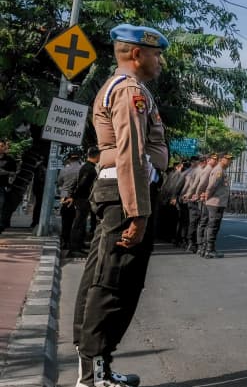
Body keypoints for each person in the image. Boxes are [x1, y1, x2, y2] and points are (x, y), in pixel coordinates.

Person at [73, 23, 169, 387]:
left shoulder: (127, 88)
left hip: (116, 192)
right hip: (123, 193)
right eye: (156, 55)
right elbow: (130, 154)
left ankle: (94, 371)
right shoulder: (130, 91)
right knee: (114, 283)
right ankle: (96, 375)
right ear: (136, 53)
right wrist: (137, 212)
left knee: (102, 279)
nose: (159, 62)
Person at [203, 153, 233, 258]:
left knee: (211, 226)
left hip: (216, 202)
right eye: (228, 159)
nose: (230, 161)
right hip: (215, 203)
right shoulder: (219, 170)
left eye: (231, 160)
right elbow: (212, 186)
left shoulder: (221, 170)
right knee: (213, 226)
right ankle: (209, 250)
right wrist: (207, 195)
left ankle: (206, 248)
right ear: (221, 159)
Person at [58, 151, 84, 254]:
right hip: (78, 197)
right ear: (79, 158)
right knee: (78, 221)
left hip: (65, 197)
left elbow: (59, 182)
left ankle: (65, 241)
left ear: (69, 159)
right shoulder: (82, 169)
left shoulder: (64, 169)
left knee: (66, 221)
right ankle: (77, 243)